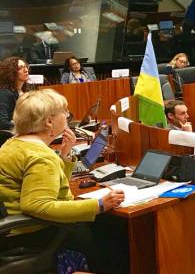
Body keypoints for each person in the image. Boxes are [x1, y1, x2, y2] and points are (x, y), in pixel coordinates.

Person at [0, 89, 126, 273]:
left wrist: (64, 156)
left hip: (11, 233)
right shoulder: (40, 157)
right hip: (33, 234)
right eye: (64, 112)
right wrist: (99, 205)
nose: (68, 115)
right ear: (49, 122)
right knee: (113, 233)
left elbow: (52, 187)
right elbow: (37, 205)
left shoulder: (13, 143)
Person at [0, 57, 30, 130]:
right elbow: (2, 123)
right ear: (11, 72)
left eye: (25, 67)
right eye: (20, 68)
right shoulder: (4, 93)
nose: (26, 70)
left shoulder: (26, 91)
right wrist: (29, 127)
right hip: (11, 133)